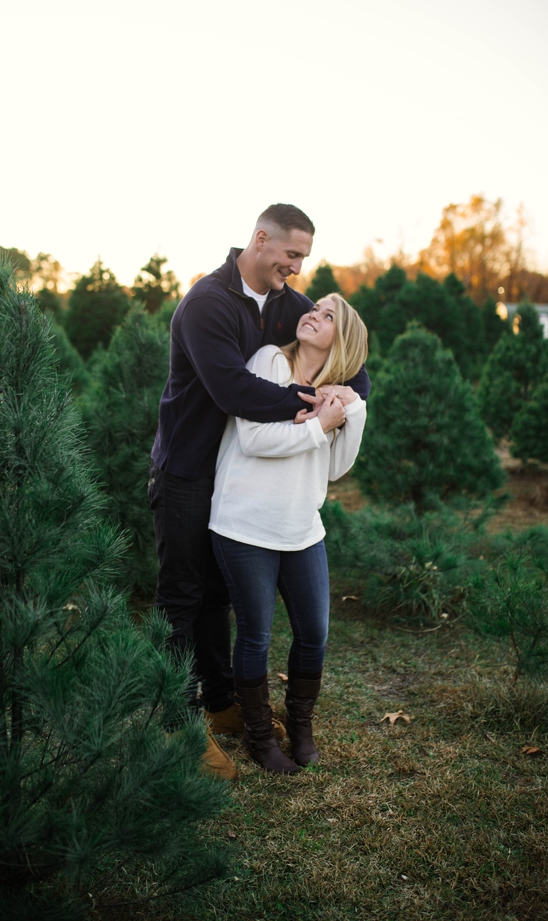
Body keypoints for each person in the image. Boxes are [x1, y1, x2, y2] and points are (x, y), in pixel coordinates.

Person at [149, 203, 370, 780]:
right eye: (292, 255)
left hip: (232, 476)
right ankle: (177, 725)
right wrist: (315, 412)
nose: (297, 268)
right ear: (261, 238)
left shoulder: (287, 305)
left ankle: (222, 704)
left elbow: (350, 360)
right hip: (186, 468)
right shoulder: (207, 303)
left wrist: (344, 397)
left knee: (219, 597)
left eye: (303, 258)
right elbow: (236, 393)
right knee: (182, 598)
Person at [208, 294, 368, 774]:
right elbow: (255, 439)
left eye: (327, 315)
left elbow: (336, 469)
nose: (312, 315)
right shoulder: (270, 361)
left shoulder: (335, 392)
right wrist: (320, 425)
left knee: (314, 633)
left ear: (343, 339)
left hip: (302, 528)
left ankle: (300, 727)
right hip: (245, 524)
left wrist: (351, 411)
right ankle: (260, 737)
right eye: (314, 307)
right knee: (255, 634)